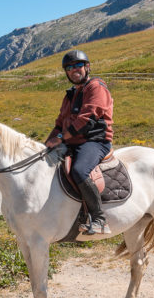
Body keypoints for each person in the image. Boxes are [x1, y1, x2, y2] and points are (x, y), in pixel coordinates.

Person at [44, 50, 114, 235]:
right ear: (66, 72)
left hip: (95, 141)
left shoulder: (96, 87)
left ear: (87, 67)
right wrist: (47, 143)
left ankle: (99, 218)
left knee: (79, 170)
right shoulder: (70, 95)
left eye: (78, 65)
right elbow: (60, 123)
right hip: (72, 141)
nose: (74, 69)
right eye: (69, 67)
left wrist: (60, 138)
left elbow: (87, 119)